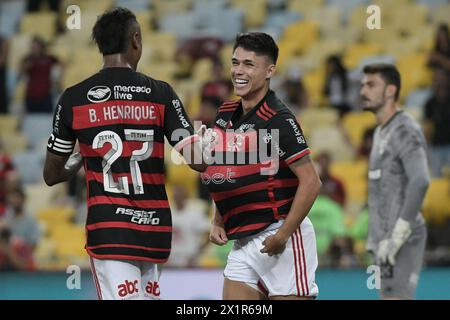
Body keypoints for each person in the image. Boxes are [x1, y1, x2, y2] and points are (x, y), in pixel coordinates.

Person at [43, 7, 208, 300]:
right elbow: (198, 160)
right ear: (136, 39)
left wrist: (82, 153)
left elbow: (51, 175)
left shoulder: (74, 98)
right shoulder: (162, 93)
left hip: (110, 231)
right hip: (153, 230)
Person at [205, 32, 321, 300]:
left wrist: (283, 234)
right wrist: (218, 219)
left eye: (248, 64)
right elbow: (224, 172)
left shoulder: (278, 119)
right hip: (243, 241)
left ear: (270, 71)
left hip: (281, 239)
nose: (238, 71)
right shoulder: (225, 114)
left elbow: (311, 182)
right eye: (235, 62)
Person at [360, 63, 430, 299]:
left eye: (371, 85)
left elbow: (420, 180)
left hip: (401, 238)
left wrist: (399, 232)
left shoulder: (404, 129)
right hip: (385, 241)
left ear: (390, 91)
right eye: (362, 85)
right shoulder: (381, 131)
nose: (363, 91)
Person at [20, 36, 61, 113]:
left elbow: (61, 64)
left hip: (45, 95)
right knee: (31, 120)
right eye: (32, 46)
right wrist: (26, 67)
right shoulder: (28, 59)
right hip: (30, 95)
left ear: (42, 47)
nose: (34, 48)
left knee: (46, 120)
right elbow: (21, 72)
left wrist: (58, 79)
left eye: (36, 46)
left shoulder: (49, 58)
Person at [423, 68, 450, 177]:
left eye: (442, 78)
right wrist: (427, 148)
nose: (439, 81)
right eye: (436, 78)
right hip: (435, 147)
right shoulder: (430, 103)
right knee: (436, 178)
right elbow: (428, 126)